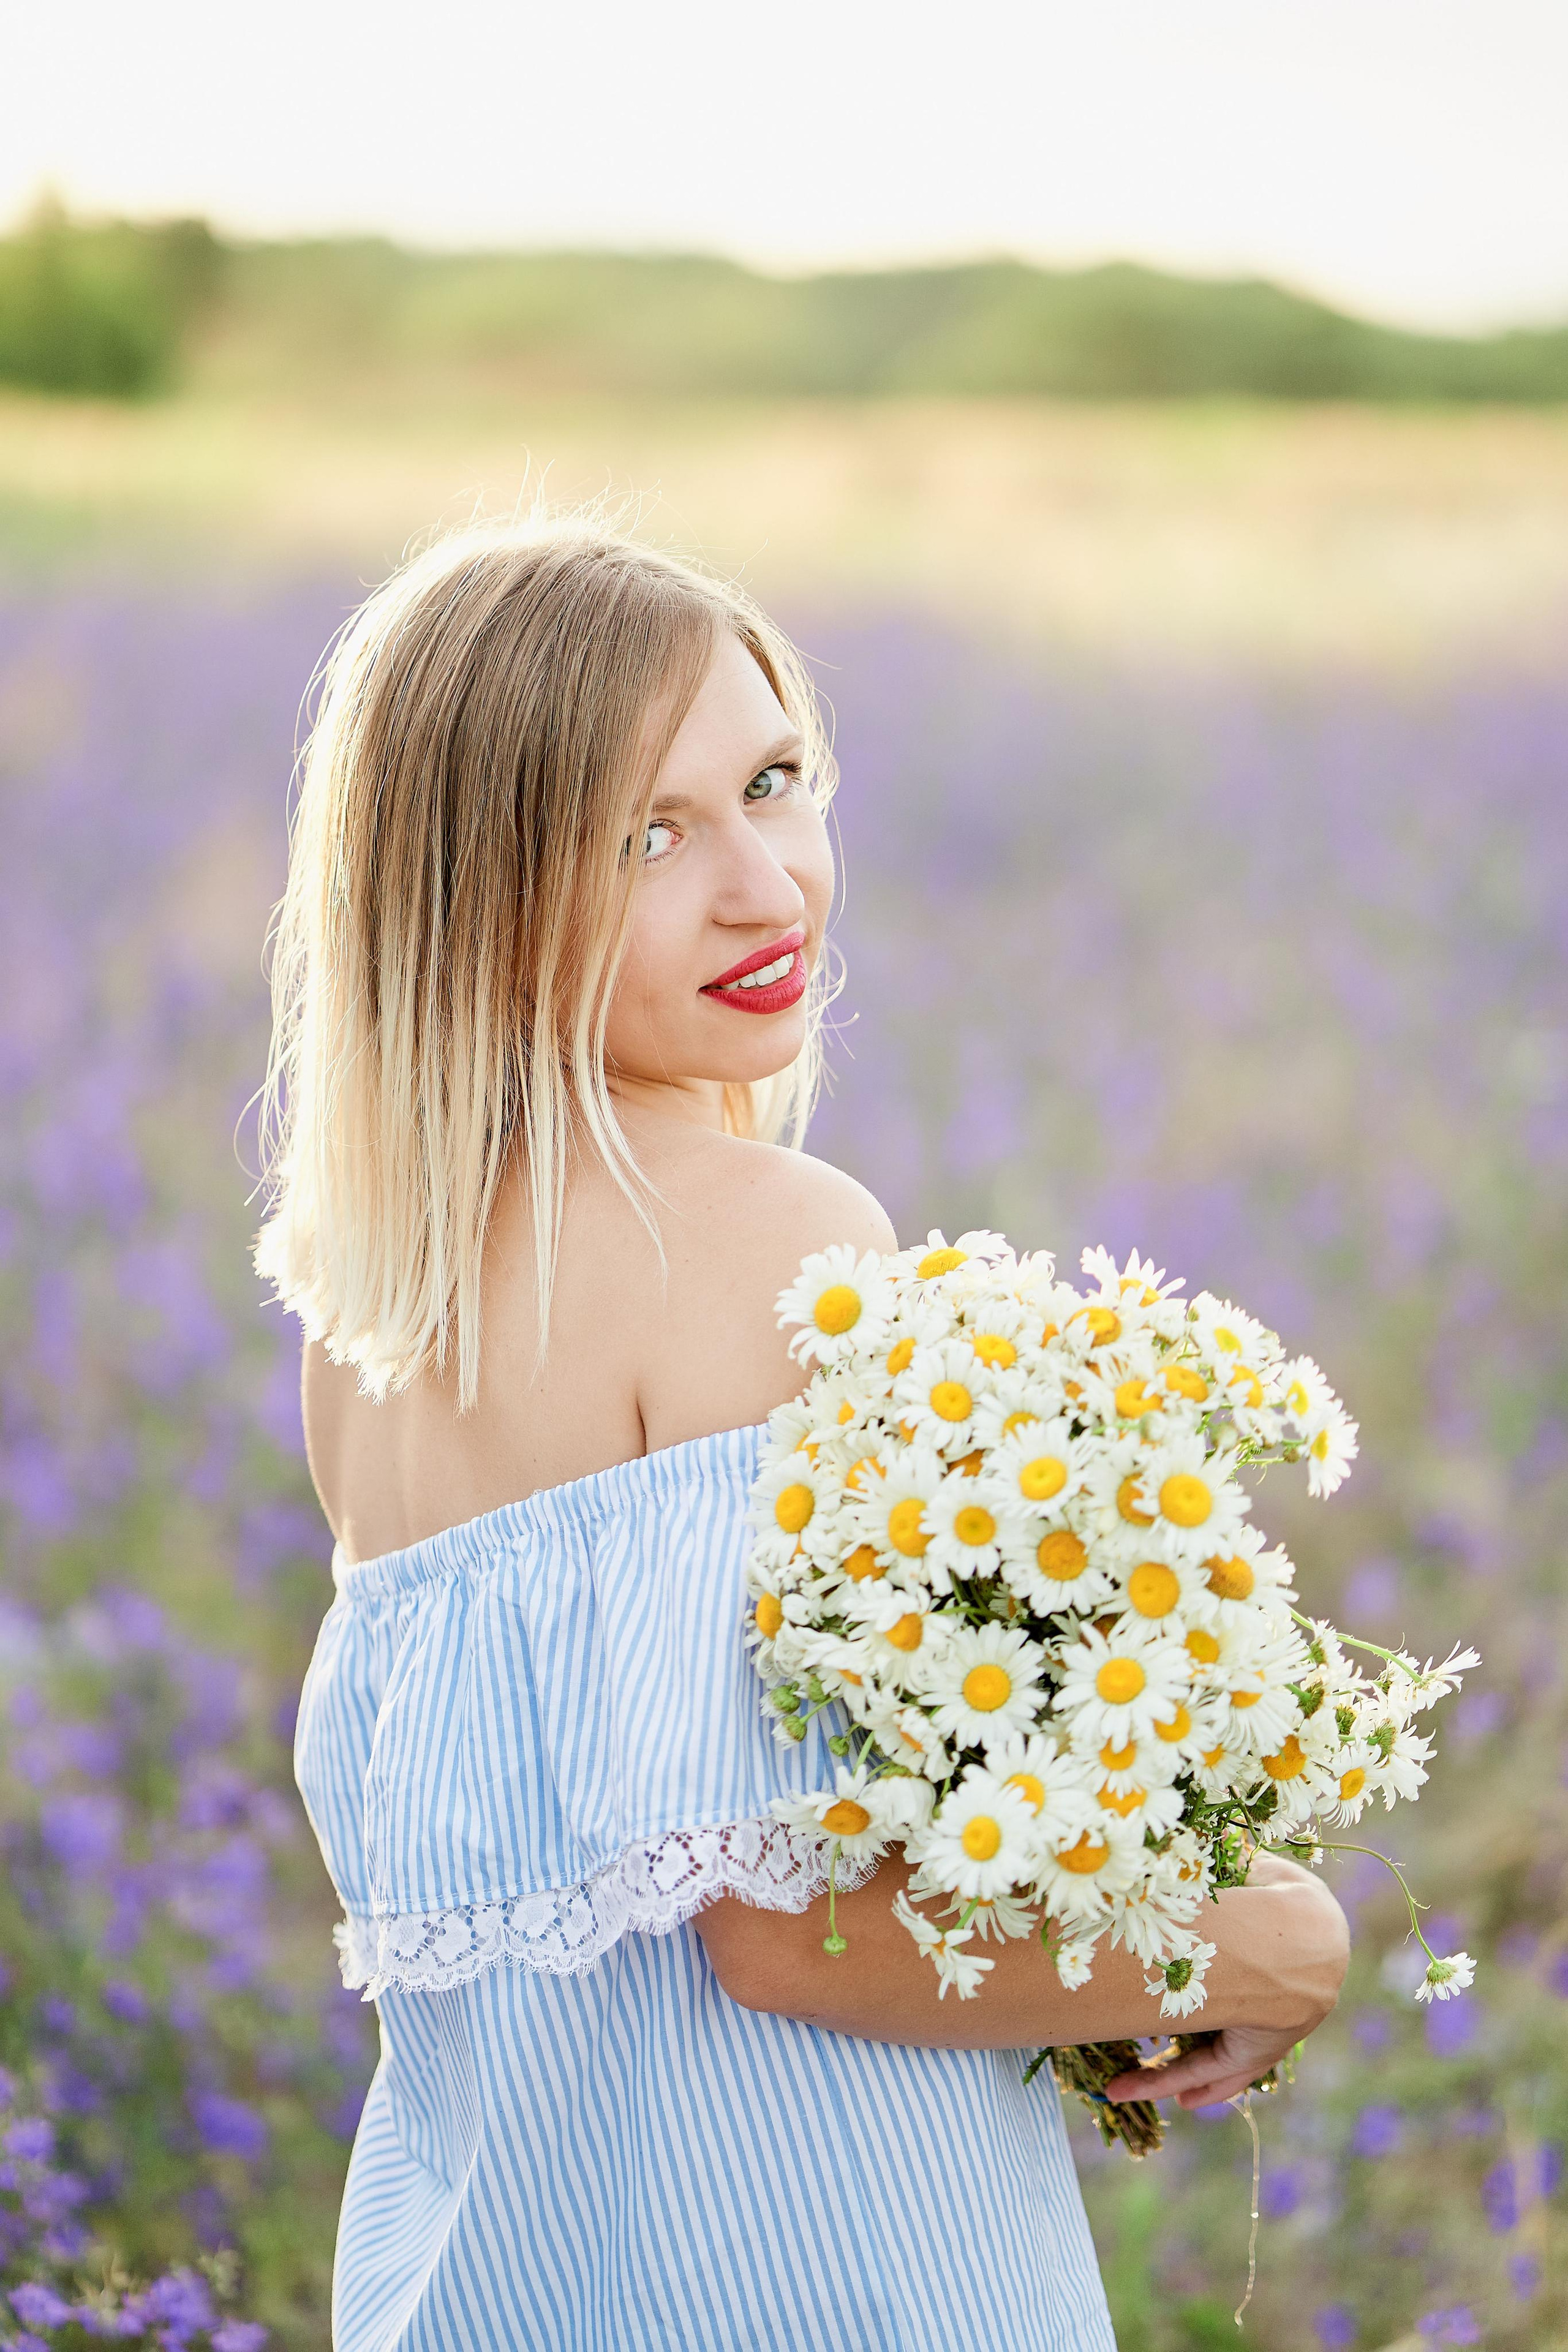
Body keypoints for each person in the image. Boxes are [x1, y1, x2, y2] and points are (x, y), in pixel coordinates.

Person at [258, 514, 1351, 2352]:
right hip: (816, 2283)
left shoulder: (366, 1341)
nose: (766, 887)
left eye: (775, 783)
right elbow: (785, 1930)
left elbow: (628, 1891)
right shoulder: (770, 1237)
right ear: (471, 891)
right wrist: (1252, 1940)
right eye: (644, 836)